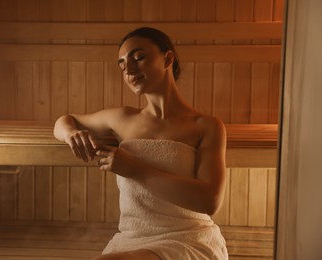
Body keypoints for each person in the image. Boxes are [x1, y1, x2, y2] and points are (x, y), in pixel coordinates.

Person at [54, 27, 228, 260]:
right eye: (122, 65)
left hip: (188, 239)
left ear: (167, 59)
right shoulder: (123, 118)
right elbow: (65, 120)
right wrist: (70, 134)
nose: (129, 70)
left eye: (138, 57)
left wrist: (135, 170)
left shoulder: (205, 126)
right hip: (131, 239)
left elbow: (210, 201)